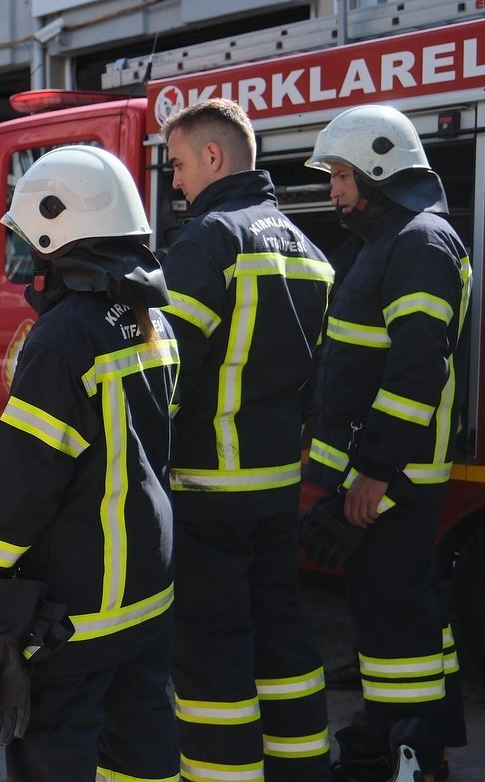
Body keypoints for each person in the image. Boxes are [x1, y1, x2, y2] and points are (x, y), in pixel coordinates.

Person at [0, 145, 179, 781]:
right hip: (146, 594)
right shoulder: (154, 319)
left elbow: (19, 484)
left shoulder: (64, 336)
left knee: (53, 757)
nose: (28, 257)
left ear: (57, 232)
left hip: (77, 611)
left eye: (30, 242)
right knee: (142, 757)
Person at [157, 98, 335, 780]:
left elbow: (168, 373)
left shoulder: (210, 241)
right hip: (276, 487)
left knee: (212, 648)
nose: (176, 183)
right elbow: (322, 383)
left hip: (207, 489)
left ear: (213, 156)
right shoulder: (310, 251)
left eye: (178, 165)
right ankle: (303, 768)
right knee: (283, 633)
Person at [302, 104, 470, 780]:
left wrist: (374, 474)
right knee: (406, 614)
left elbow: (415, 374)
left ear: (377, 171)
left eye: (341, 176)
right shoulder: (385, 242)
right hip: (378, 473)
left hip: (392, 478)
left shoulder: (420, 245)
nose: (333, 190)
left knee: (395, 624)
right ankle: (422, 741)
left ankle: (409, 756)